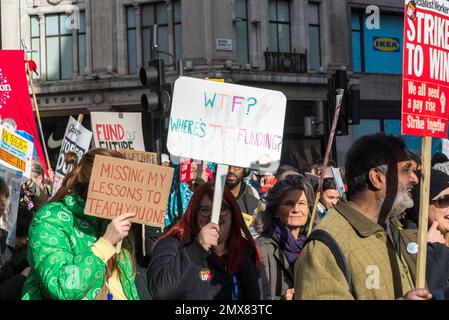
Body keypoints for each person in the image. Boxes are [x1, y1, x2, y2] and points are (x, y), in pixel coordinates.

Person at [294, 133, 431, 300]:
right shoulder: (325, 246)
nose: (415, 179)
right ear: (377, 178)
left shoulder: (395, 229)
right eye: (405, 170)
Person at [21, 149, 139, 300]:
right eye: (119, 188)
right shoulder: (50, 218)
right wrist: (105, 243)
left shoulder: (111, 222)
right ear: (95, 187)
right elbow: (59, 286)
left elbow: (125, 285)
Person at [147, 182, 262, 300]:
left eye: (222, 209)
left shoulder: (244, 251)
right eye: (205, 210)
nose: (214, 217)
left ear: (233, 214)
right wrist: (197, 249)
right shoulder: (173, 244)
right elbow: (161, 292)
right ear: (194, 214)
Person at [254, 175, 314, 300]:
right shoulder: (261, 249)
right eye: (289, 204)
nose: (296, 209)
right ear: (275, 210)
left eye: (301, 203)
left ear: (309, 209)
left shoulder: (314, 246)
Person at [226, 166, 259, 234]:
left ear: (245, 170)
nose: (231, 170)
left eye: (237, 167)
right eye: (227, 166)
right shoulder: (211, 192)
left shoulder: (252, 193)